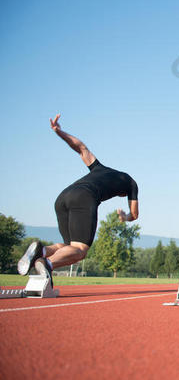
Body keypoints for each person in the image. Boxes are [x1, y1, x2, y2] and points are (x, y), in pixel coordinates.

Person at [17, 114, 139, 287]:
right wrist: (124, 217)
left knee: (69, 247)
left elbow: (81, 148)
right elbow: (134, 214)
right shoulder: (131, 183)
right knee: (80, 251)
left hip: (63, 197)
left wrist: (59, 132)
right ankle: (47, 263)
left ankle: (41, 251)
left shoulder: (99, 168)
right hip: (84, 197)